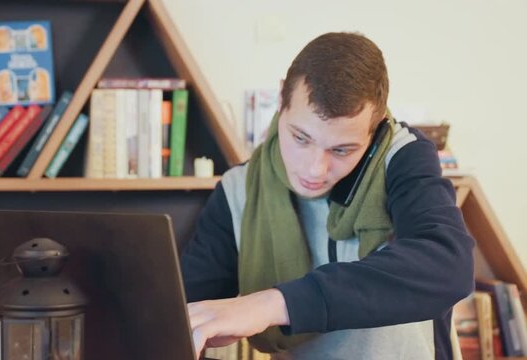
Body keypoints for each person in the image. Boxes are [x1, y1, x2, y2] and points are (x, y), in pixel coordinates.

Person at [180, 32, 474, 360]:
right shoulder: (239, 188)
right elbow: (182, 314)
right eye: (300, 137)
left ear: (375, 129)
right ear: (281, 99)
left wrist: (274, 303)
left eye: (341, 149)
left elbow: (448, 265)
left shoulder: (402, 159)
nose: (315, 170)